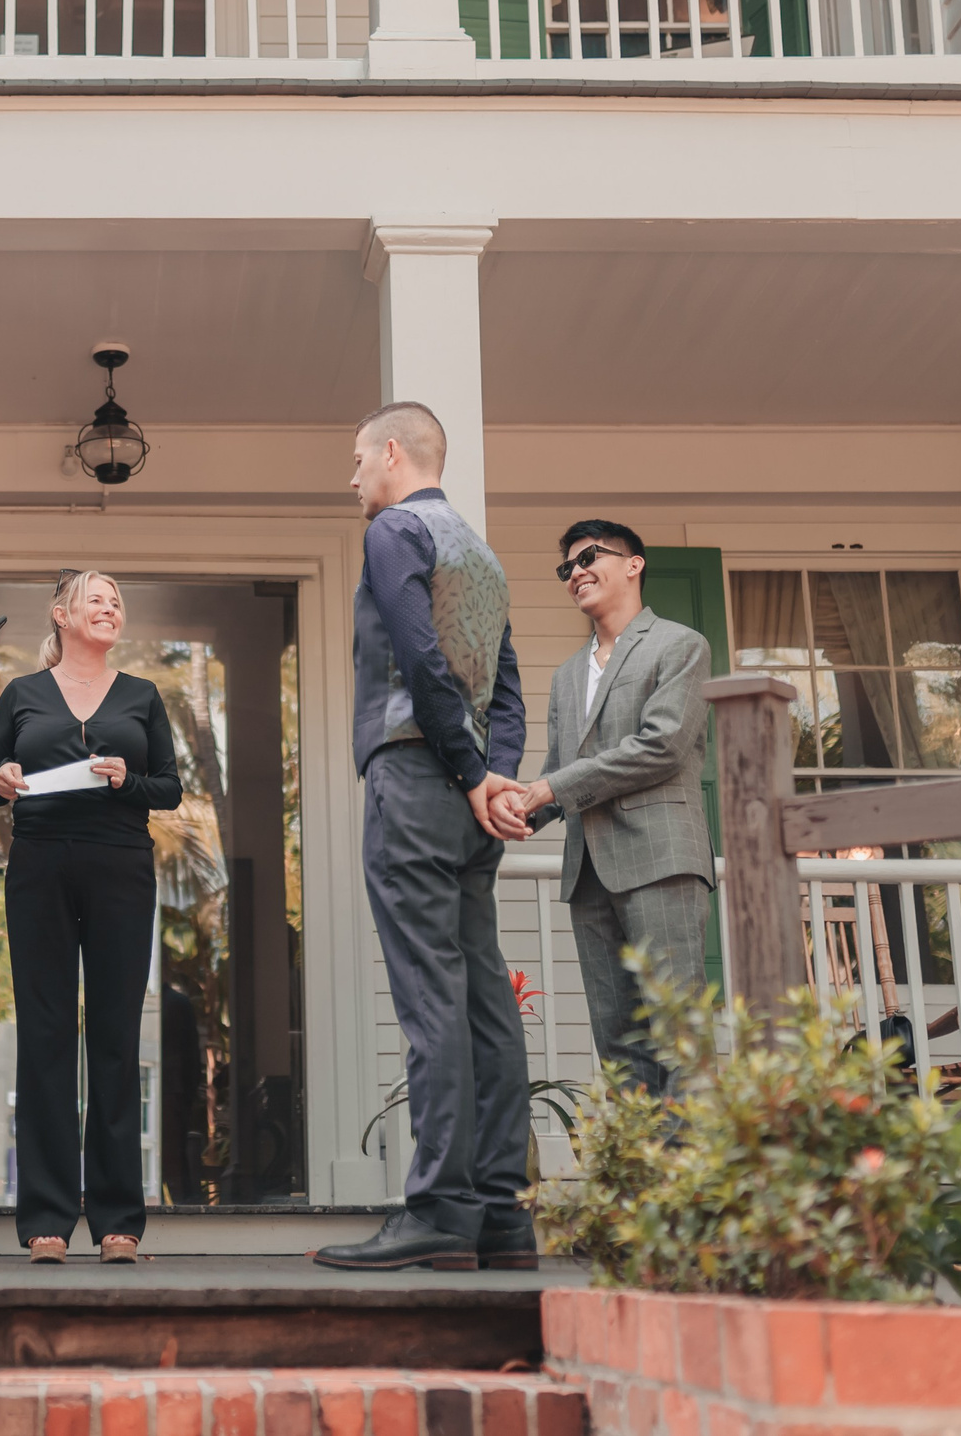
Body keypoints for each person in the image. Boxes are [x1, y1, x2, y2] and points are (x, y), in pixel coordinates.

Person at [317, 402, 535, 1274]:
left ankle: (440, 1207)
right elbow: (510, 685)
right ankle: (503, 1216)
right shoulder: (480, 551)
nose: (353, 477)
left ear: (393, 453)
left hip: (414, 778)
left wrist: (462, 765)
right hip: (469, 794)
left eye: (358, 458)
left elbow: (417, 657)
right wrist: (494, 777)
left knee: (430, 997)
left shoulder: (395, 532)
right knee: (484, 997)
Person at [0, 570, 183, 1265]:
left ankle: (119, 1221)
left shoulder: (142, 697)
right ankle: (45, 1220)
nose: (109, 607)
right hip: (38, 867)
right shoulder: (22, 695)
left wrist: (129, 780)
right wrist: (3, 777)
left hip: (121, 867)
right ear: (62, 614)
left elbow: (171, 787)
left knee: (117, 1038)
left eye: (117, 600)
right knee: (44, 1037)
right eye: (96, 598)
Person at [499, 519, 713, 1098]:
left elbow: (661, 746)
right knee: (617, 1041)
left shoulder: (681, 645)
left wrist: (551, 790)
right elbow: (557, 768)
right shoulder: (569, 674)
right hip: (588, 873)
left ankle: (690, 1184)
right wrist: (517, 807)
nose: (576, 573)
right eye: (567, 567)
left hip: (661, 860)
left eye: (589, 556)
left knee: (678, 1033)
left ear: (634, 563)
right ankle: (637, 1182)